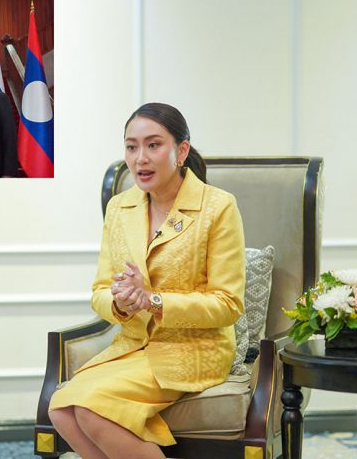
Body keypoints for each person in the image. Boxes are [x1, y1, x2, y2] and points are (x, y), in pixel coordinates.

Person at [48, 103, 246, 459]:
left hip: (194, 348)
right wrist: (121, 303)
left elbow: (228, 304)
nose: (140, 158)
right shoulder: (120, 207)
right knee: (60, 409)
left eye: (153, 145)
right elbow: (100, 290)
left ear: (181, 151)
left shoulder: (218, 207)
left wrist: (153, 301)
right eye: (131, 147)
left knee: (91, 409)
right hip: (134, 345)